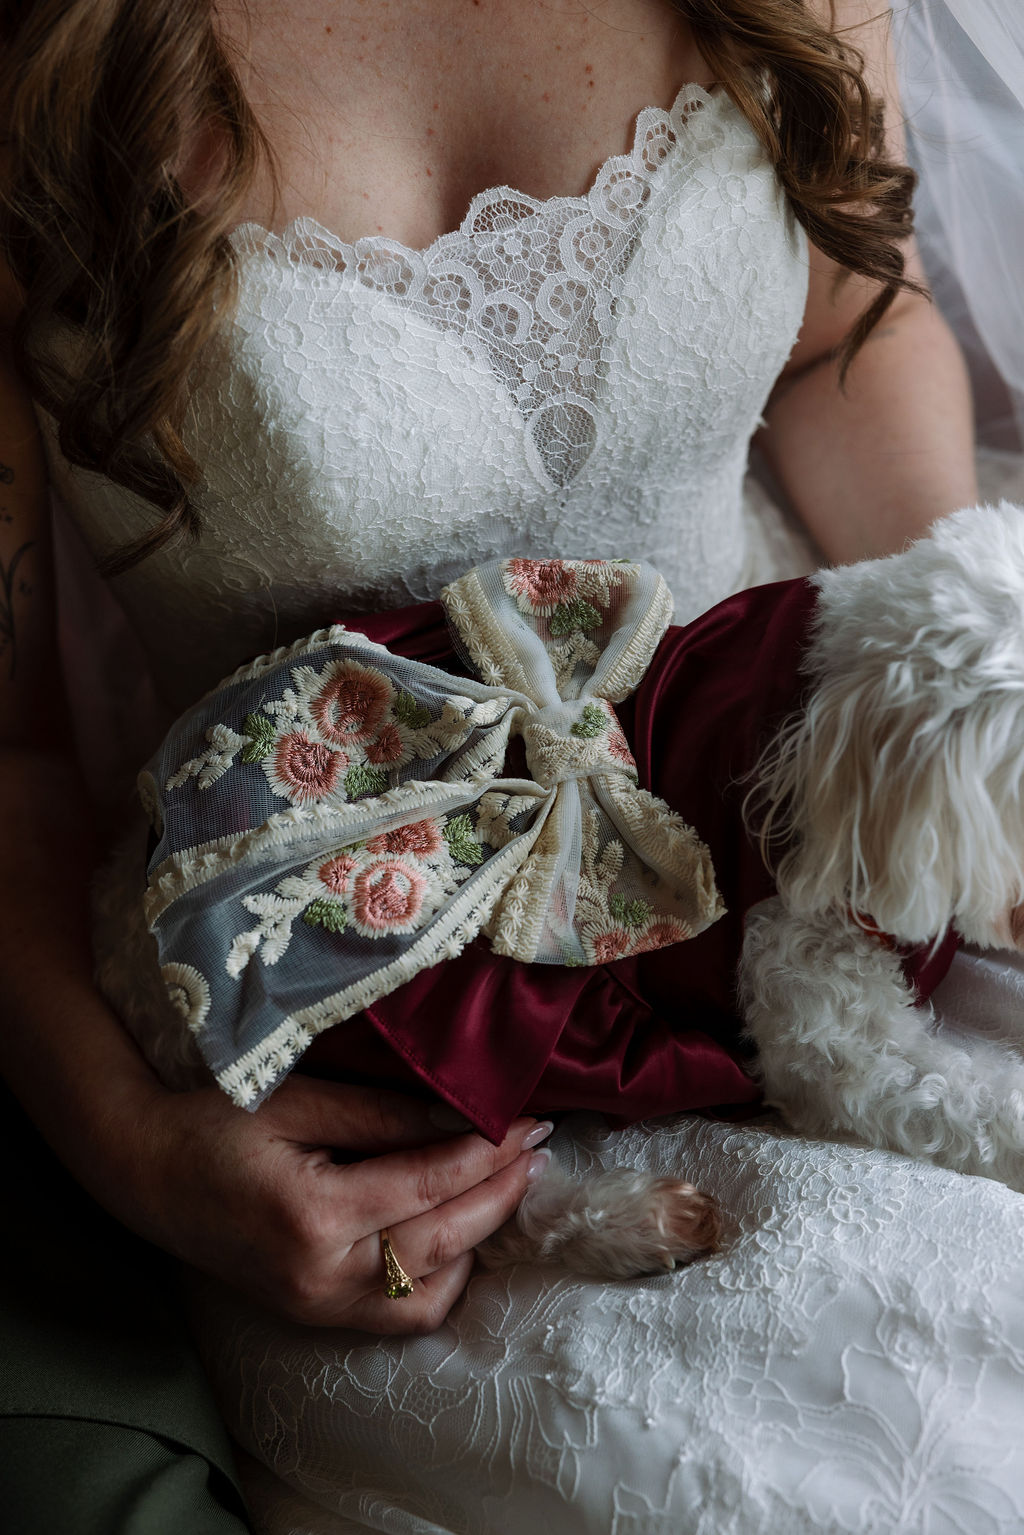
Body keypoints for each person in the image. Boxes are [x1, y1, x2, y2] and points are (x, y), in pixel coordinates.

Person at [1, 2, 1019, 1531]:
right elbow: (7, 747)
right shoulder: (39, 64)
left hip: (812, 811)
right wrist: (139, 1152)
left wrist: (982, 739)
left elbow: (840, 346)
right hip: (382, 1046)